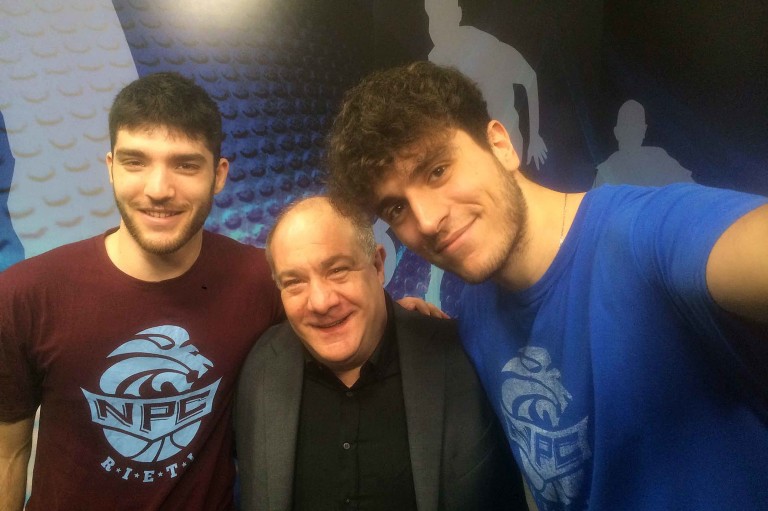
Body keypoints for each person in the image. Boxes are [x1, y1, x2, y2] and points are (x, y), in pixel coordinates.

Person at [325, 61, 768, 510]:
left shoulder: (647, 234)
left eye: (437, 170)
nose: (426, 220)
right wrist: (413, 332)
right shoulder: (476, 312)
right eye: (396, 209)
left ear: (500, 145)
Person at [0, 72, 285, 511]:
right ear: (110, 168)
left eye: (186, 164)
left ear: (219, 175)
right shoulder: (25, 294)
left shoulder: (263, 280)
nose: (158, 190)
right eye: (135, 161)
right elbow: (8, 454)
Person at [234, 196, 526, 511]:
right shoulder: (260, 366)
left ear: (376, 266)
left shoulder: (463, 359)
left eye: (337, 270)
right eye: (294, 282)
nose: (319, 302)